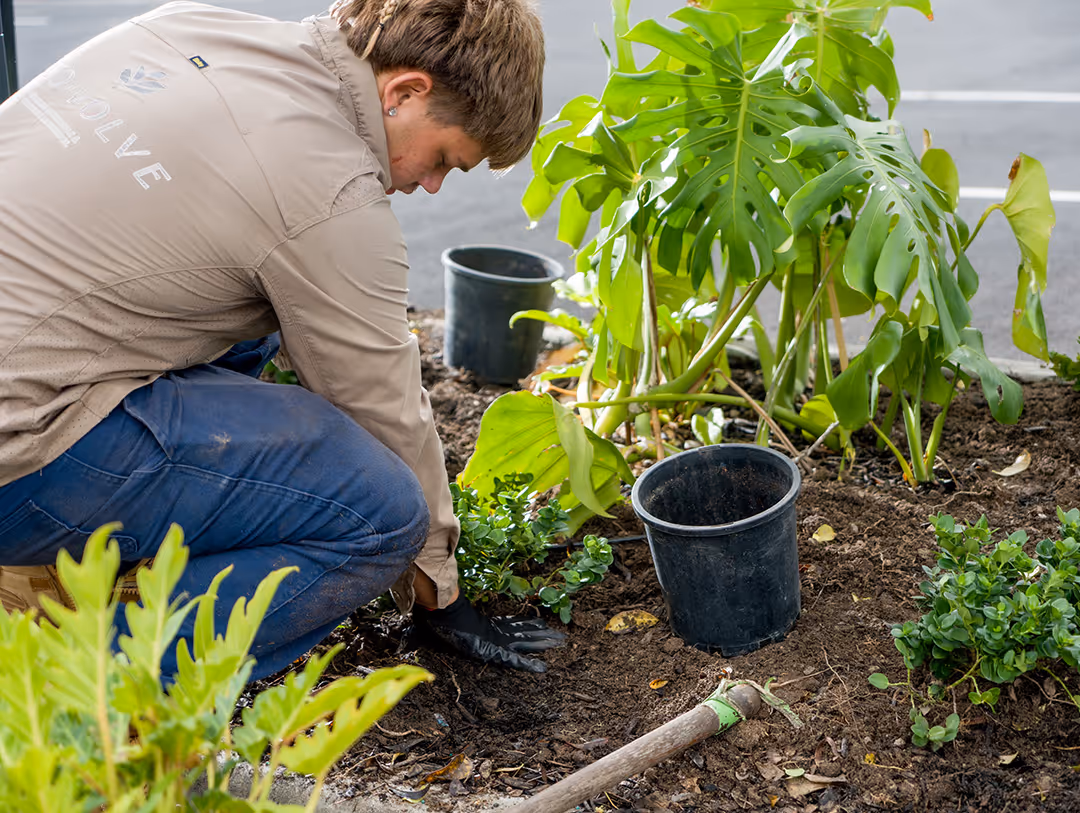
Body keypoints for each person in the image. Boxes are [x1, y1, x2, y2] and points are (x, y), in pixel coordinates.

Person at [0, 0, 565, 677]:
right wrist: (439, 595)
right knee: (382, 511)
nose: (432, 186)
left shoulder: (197, 28)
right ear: (405, 91)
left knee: (256, 311)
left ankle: (98, 566)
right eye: (444, 157)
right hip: (19, 455)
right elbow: (388, 413)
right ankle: (78, 684)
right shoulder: (329, 196)